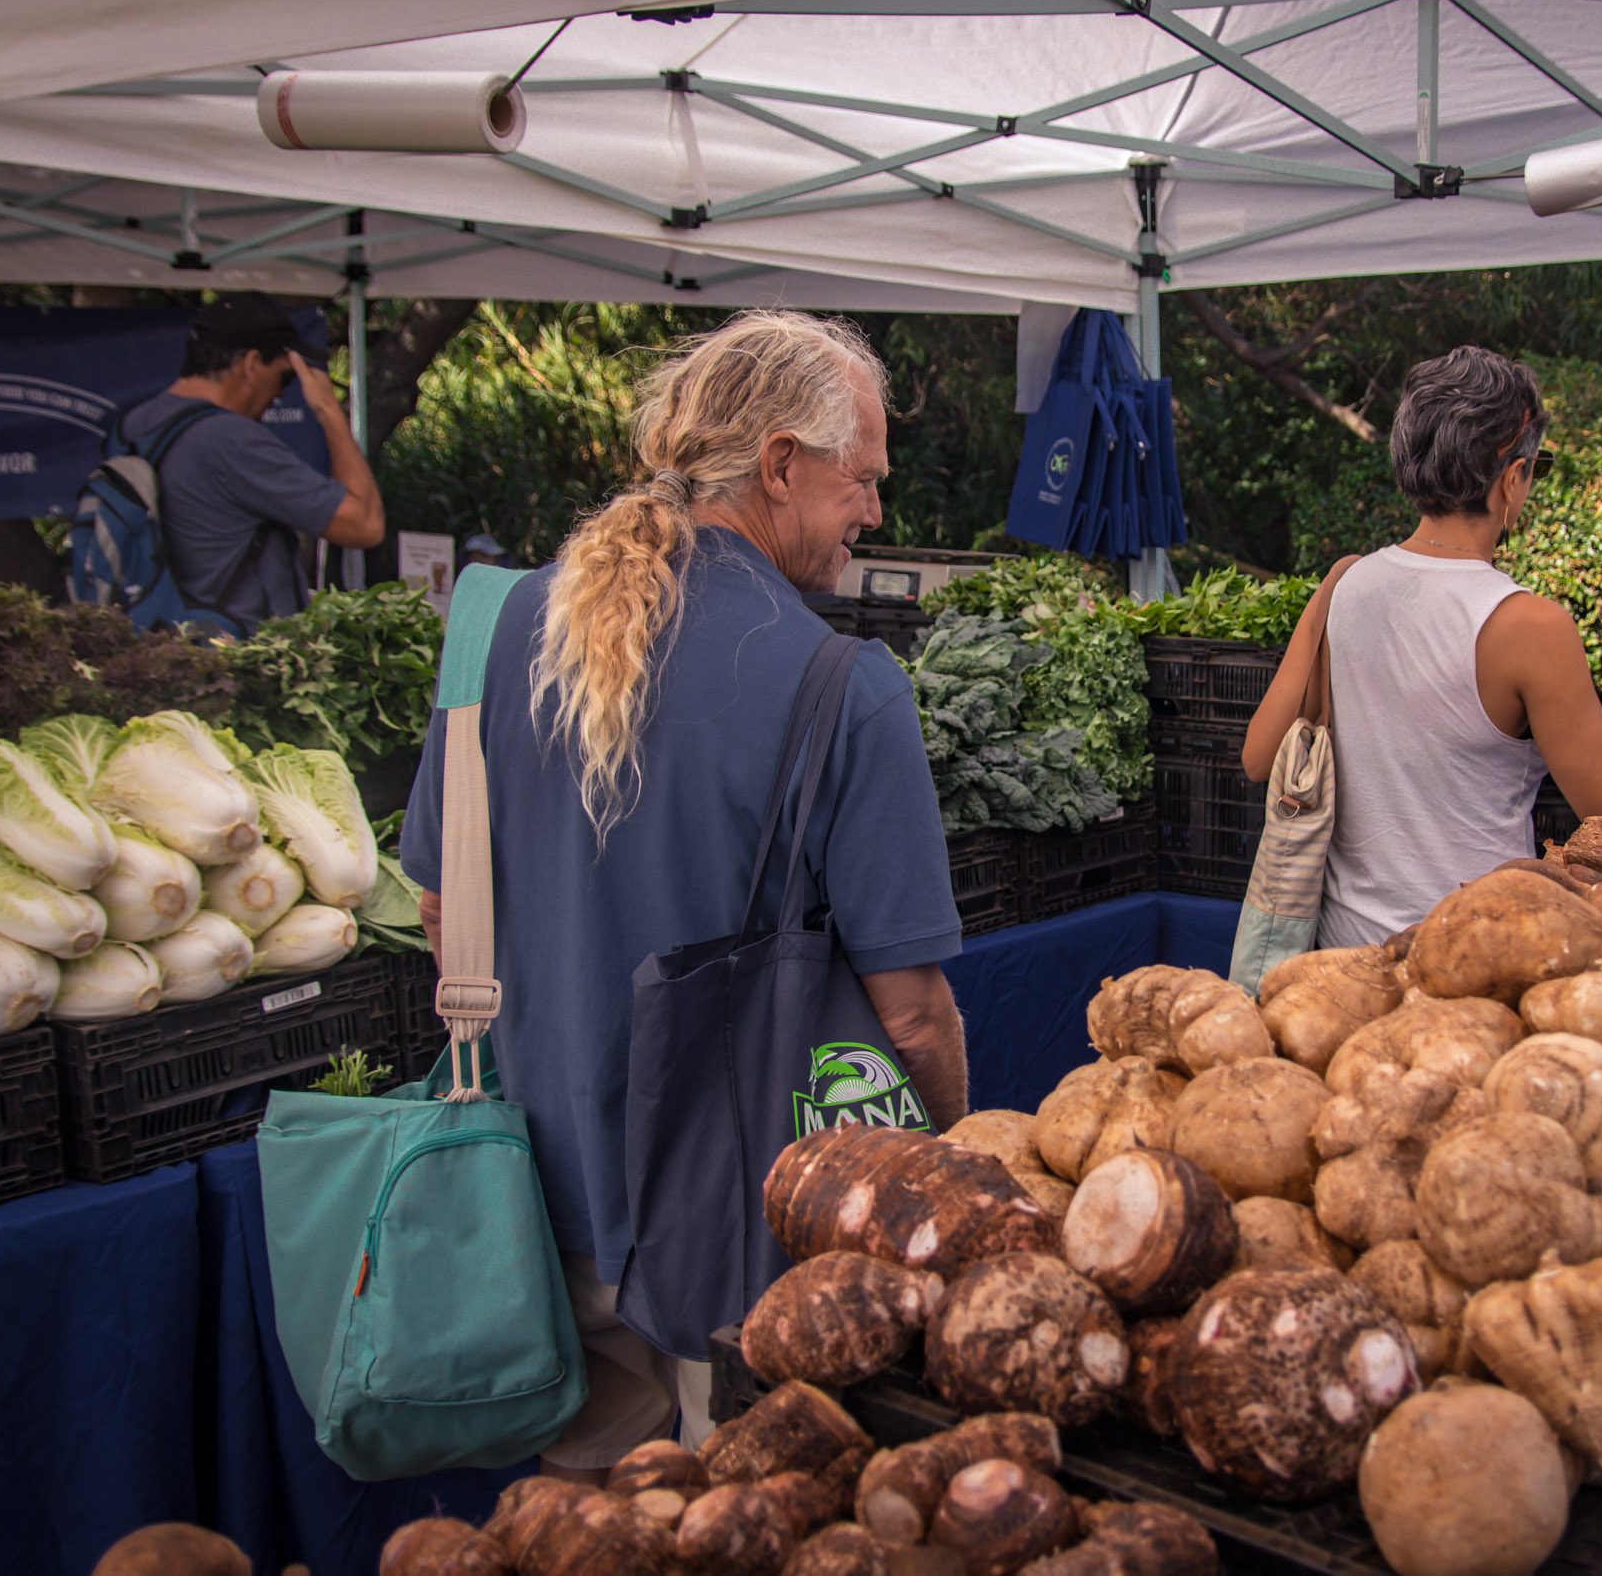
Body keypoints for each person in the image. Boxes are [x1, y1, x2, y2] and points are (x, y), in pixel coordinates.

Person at [400, 311, 966, 1479]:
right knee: (741, 1515)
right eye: (862, 479)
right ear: (779, 464)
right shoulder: (844, 684)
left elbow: (441, 911)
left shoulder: (499, 626)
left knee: (591, 1524)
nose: (873, 512)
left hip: (532, 1205)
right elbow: (910, 1015)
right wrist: (952, 1163)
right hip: (738, 1237)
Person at [1240, 346, 1602, 949]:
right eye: (1536, 467)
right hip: (1473, 956)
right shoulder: (1529, 624)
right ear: (1511, 478)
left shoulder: (1343, 583)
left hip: (1343, 955)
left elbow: (1260, 758)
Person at [115, 293, 385, 631]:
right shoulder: (229, 438)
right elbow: (364, 524)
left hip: (163, 645)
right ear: (252, 363)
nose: (278, 395)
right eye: (283, 378)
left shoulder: (136, 424)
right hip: (231, 659)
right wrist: (329, 411)